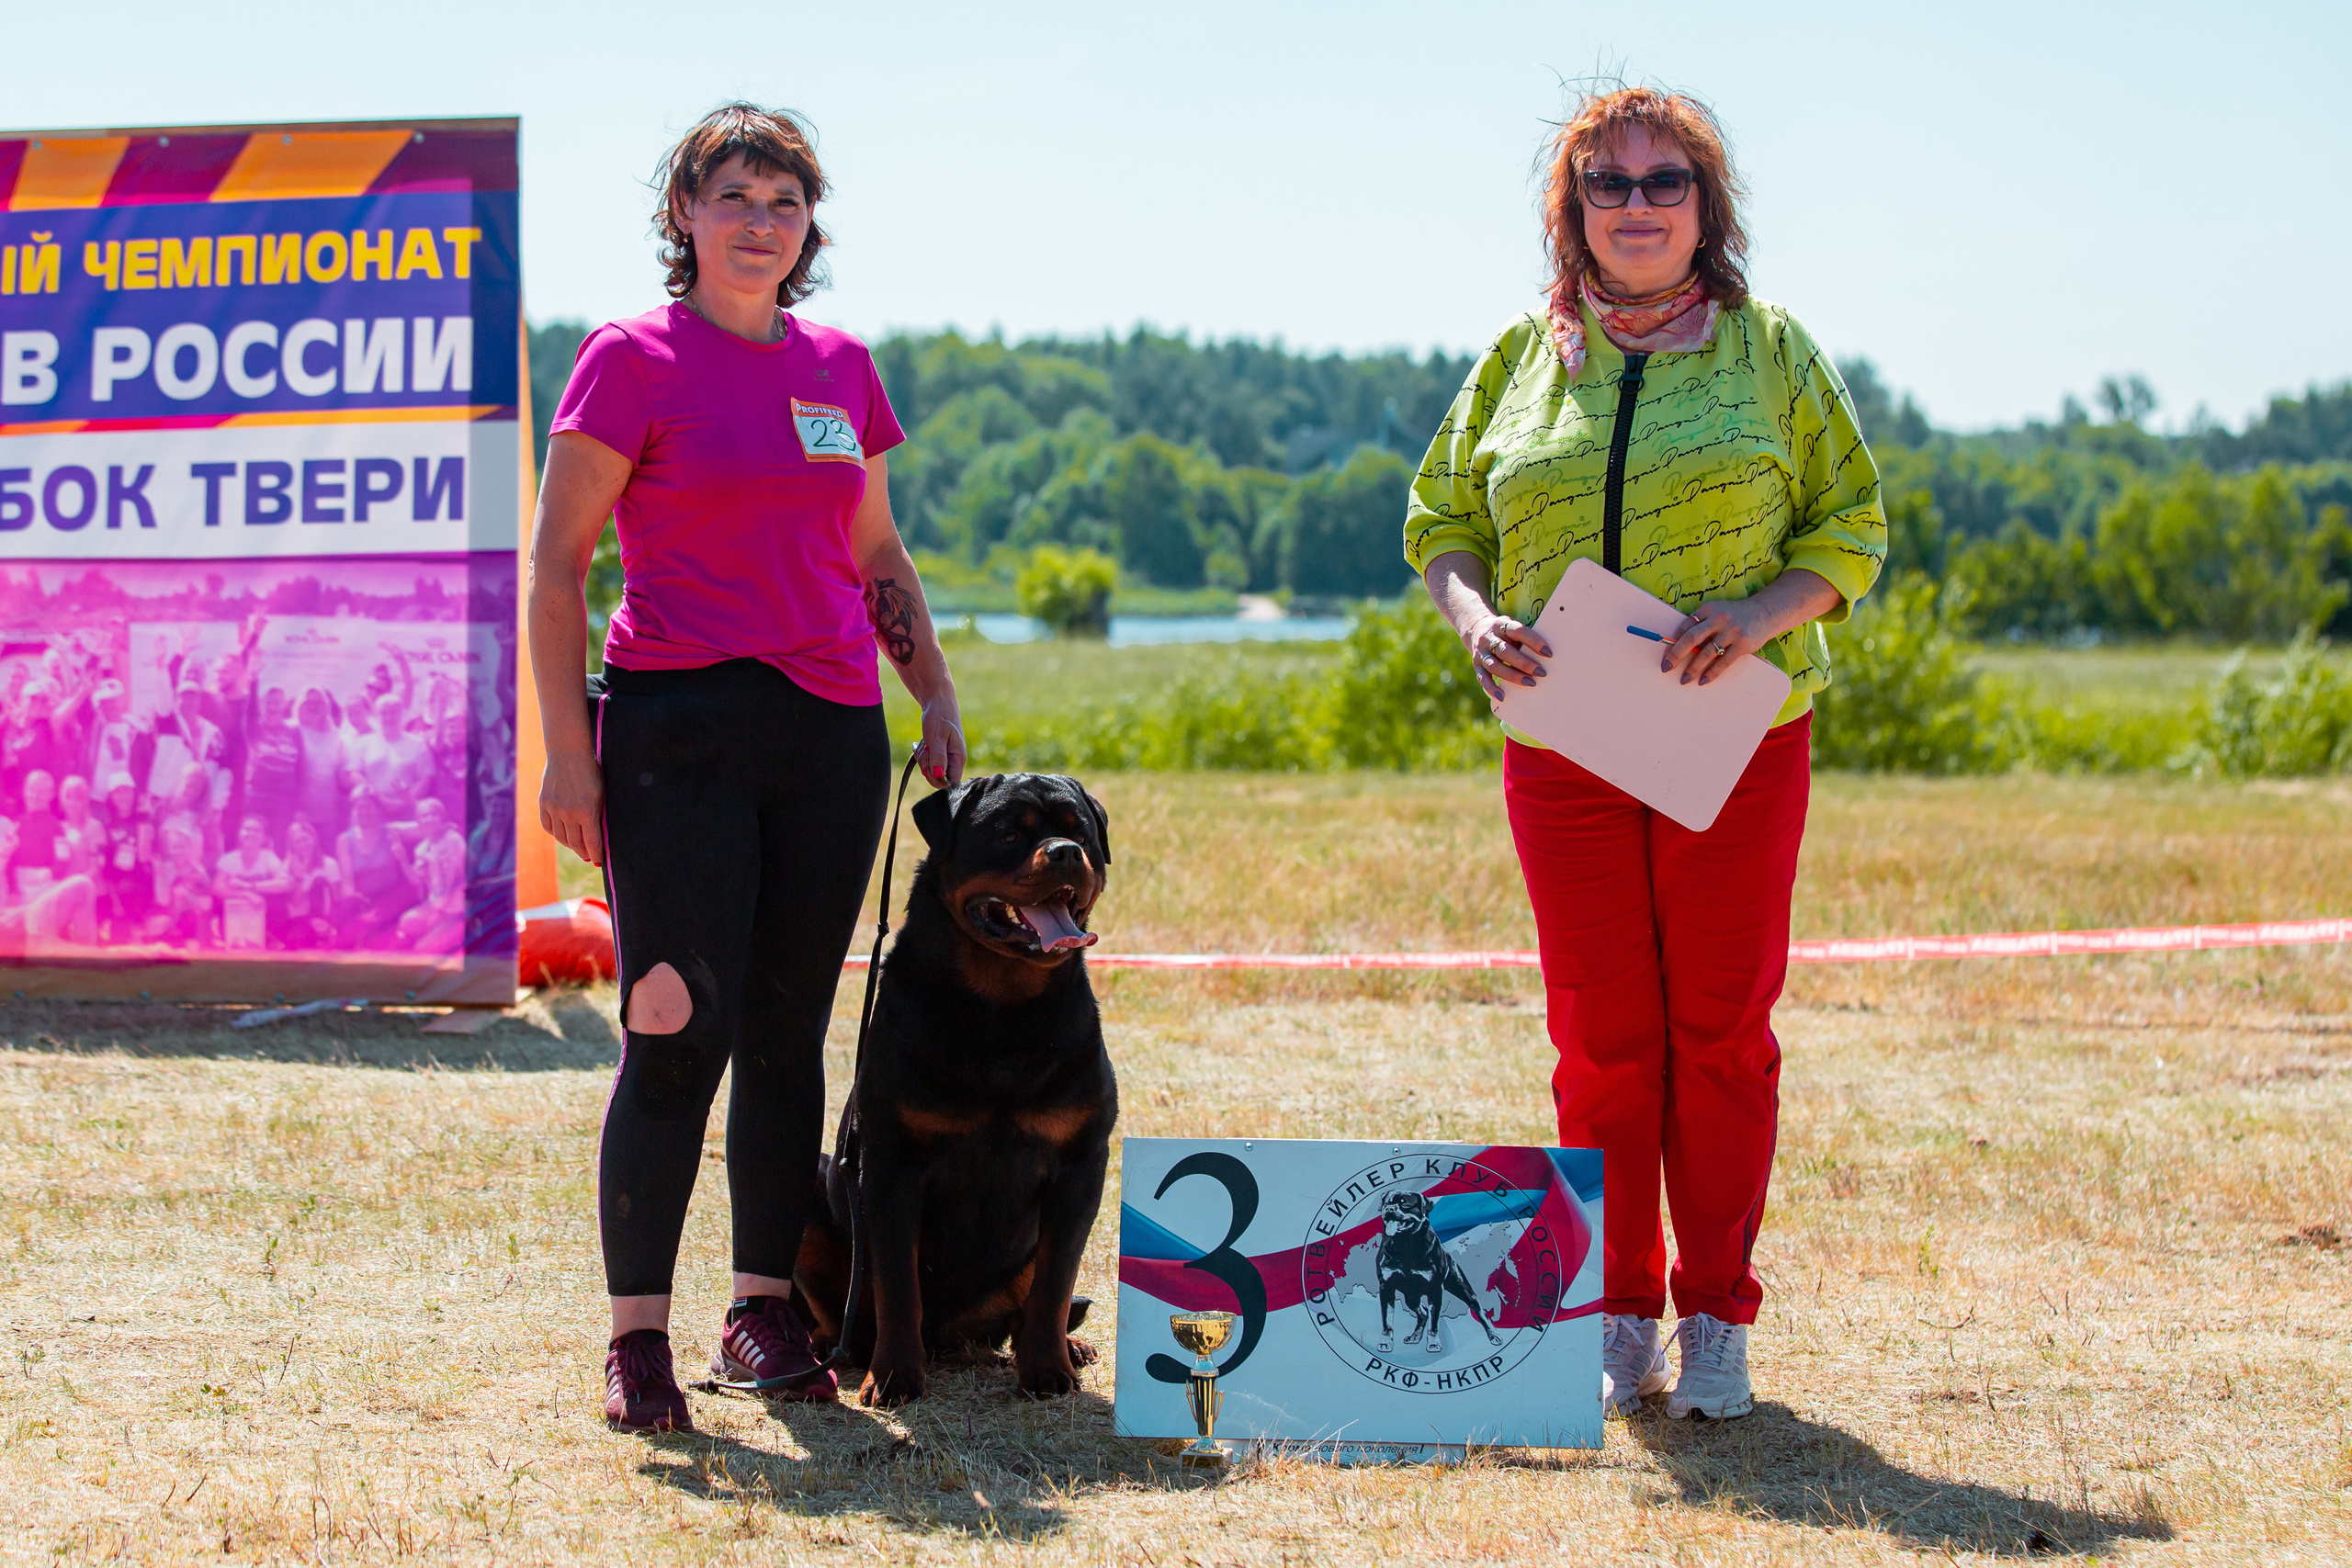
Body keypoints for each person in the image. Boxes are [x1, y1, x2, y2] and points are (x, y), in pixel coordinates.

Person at [1405, 87, 1885, 1423]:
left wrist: (1761, 615)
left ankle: (1716, 1313)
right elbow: (1441, 519)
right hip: (1562, 744)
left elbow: (1852, 527)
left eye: (1663, 180)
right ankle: (1615, 1312)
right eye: (1606, 184)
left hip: (1734, 738)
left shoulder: (1772, 351)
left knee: (1719, 1034)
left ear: (1705, 205)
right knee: (1599, 1038)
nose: (1635, 205)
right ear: (1571, 210)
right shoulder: (1519, 356)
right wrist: (1474, 619)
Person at [531, 102, 967, 1434]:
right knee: (676, 1025)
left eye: (784, 202)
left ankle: (762, 1310)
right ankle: (637, 1339)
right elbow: (557, 567)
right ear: (685, 214)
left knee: (786, 1032)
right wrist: (568, 755)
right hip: (676, 731)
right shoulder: (630, 359)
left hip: (829, 732)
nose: (759, 223)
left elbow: (876, 550)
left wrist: (933, 687)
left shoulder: (841, 368)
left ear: (808, 225)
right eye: (733, 197)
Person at [334, 787, 416, 947]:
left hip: (390, 899)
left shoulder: (391, 831)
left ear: (378, 809)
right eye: (360, 807)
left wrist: (409, 799)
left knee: (381, 943)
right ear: (354, 811)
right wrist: (355, 910)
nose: (364, 812)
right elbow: (348, 883)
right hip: (363, 901)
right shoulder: (344, 840)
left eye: (369, 807)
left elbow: (425, 827)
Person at [269, 816, 339, 950]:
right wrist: (301, 877)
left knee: (319, 882)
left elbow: (337, 898)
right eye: (297, 842)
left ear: (314, 838)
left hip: (323, 918)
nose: (303, 845)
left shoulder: (329, 864)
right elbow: (295, 902)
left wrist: (329, 923)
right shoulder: (287, 866)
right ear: (293, 846)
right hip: (298, 919)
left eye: (305, 839)